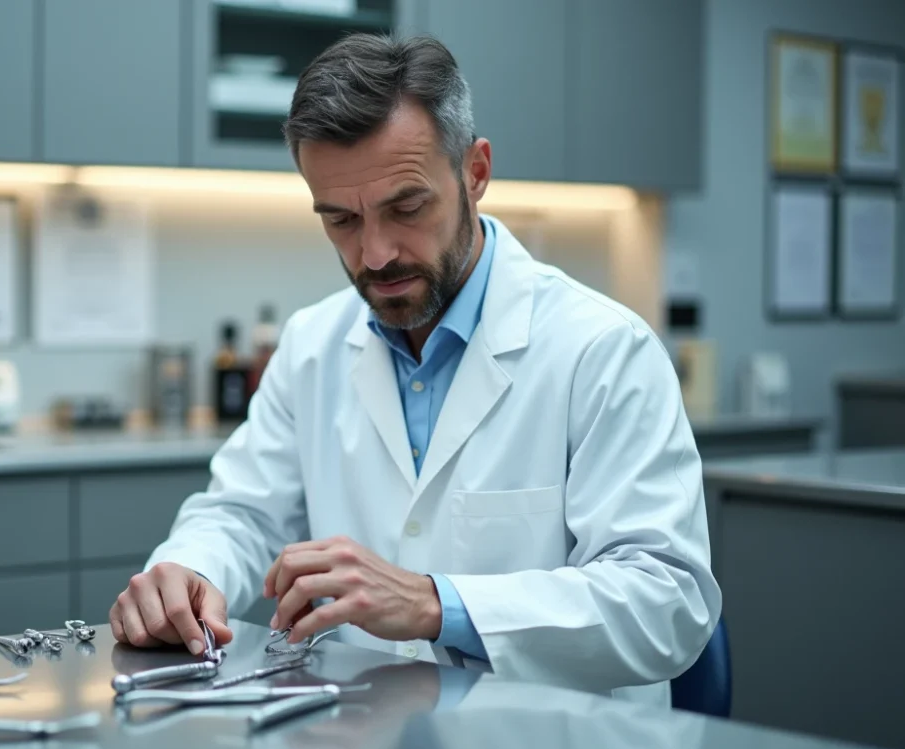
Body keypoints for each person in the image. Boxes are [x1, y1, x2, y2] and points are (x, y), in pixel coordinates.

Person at [110, 33, 721, 705]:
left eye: (407, 208)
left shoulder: (604, 351)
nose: (374, 255)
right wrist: (187, 571)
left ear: (476, 173)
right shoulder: (313, 344)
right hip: (369, 739)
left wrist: (437, 604)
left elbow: (669, 602)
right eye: (340, 219)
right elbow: (243, 514)